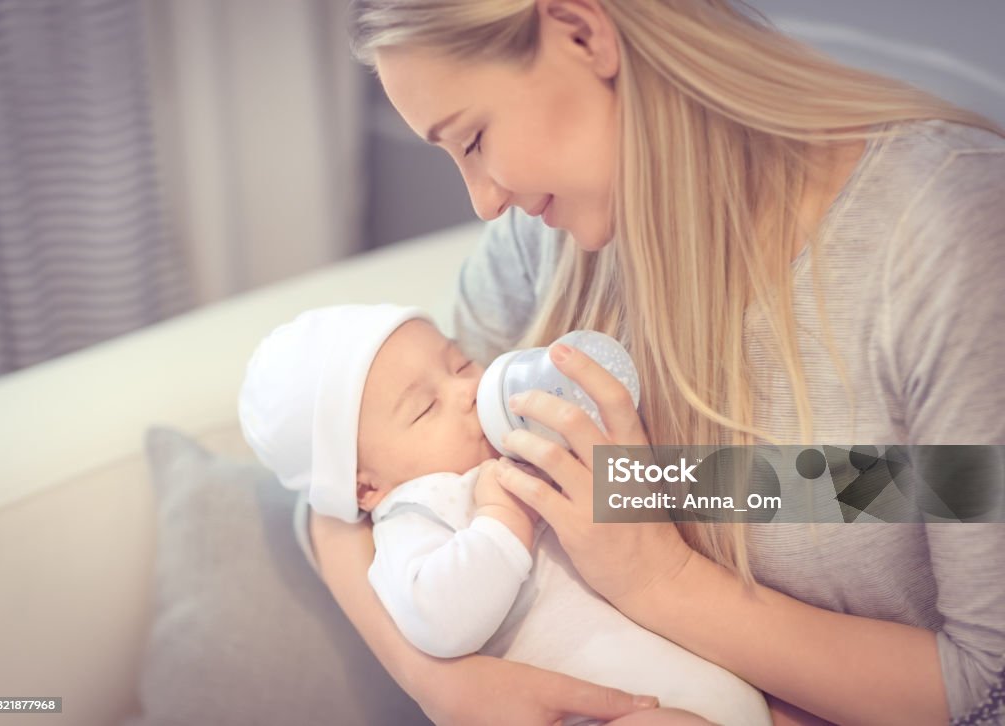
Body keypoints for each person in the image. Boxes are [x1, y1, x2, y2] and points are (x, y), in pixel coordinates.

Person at [304, 1, 1005, 724]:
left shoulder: (943, 239)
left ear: (582, 31)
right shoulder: (546, 243)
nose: (484, 201)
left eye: (475, 137)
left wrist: (658, 578)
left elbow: (987, 687)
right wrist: (441, 683)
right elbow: (347, 479)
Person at [238, 303, 772, 726]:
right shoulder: (417, 511)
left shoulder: (513, 449)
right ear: (367, 486)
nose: (468, 389)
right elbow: (436, 618)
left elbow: (822, 487)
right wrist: (501, 519)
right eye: (425, 407)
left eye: (460, 363)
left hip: (728, 687)